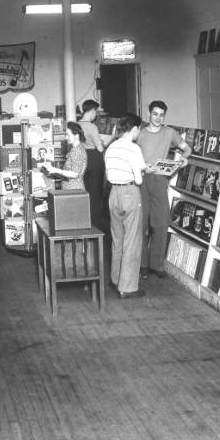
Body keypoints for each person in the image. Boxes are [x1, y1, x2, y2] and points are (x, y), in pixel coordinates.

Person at [136, 100, 192, 279]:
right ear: (148, 114)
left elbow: (187, 148)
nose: (158, 118)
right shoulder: (140, 133)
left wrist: (184, 158)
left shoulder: (170, 132)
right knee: (142, 224)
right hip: (141, 180)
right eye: (155, 114)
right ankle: (143, 264)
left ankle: (156, 265)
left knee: (160, 223)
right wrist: (142, 166)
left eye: (161, 115)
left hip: (160, 180)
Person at [104, 113, 146, 298]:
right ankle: (127, 288)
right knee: (132, 241)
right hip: (130, 193)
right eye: (139, 130)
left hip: (114, 194)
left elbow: (108, 174)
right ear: (134, 128)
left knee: (117, 239)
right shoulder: (134, 149)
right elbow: (138, 179)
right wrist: (143, 172)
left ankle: (115, 280)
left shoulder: (111, 147)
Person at [79, 100, 105, 229]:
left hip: (81, 158)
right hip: (94, 159)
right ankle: (94, 224)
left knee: (84, 190)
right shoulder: (92, 126)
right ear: (93, 111)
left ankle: (83, 222)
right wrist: (103, 142)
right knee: (95, 194)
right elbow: (99, 148)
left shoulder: (76, 125)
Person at [39, 121, 87, 190]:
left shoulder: (77, 151)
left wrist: (56, 170)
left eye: (68, 135)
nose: (66, 137)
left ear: (76, 135)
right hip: (72, 189)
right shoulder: (77, 149)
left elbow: (74, 174)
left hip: (73, 190)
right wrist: (53, 170)